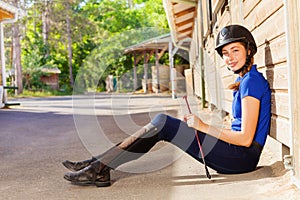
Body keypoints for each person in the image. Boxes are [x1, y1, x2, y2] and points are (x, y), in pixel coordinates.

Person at [62, 24, 271, 187]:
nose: (229, 58)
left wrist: (203, 126)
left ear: (249, 50)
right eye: (225, 53)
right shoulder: (246, 81)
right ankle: (96, 164)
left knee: (163, 123)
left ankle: (98, 167)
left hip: (241, 158)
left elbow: (245, 139)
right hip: (235, 153)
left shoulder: (251, 82)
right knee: (163, 123)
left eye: (235, 50)